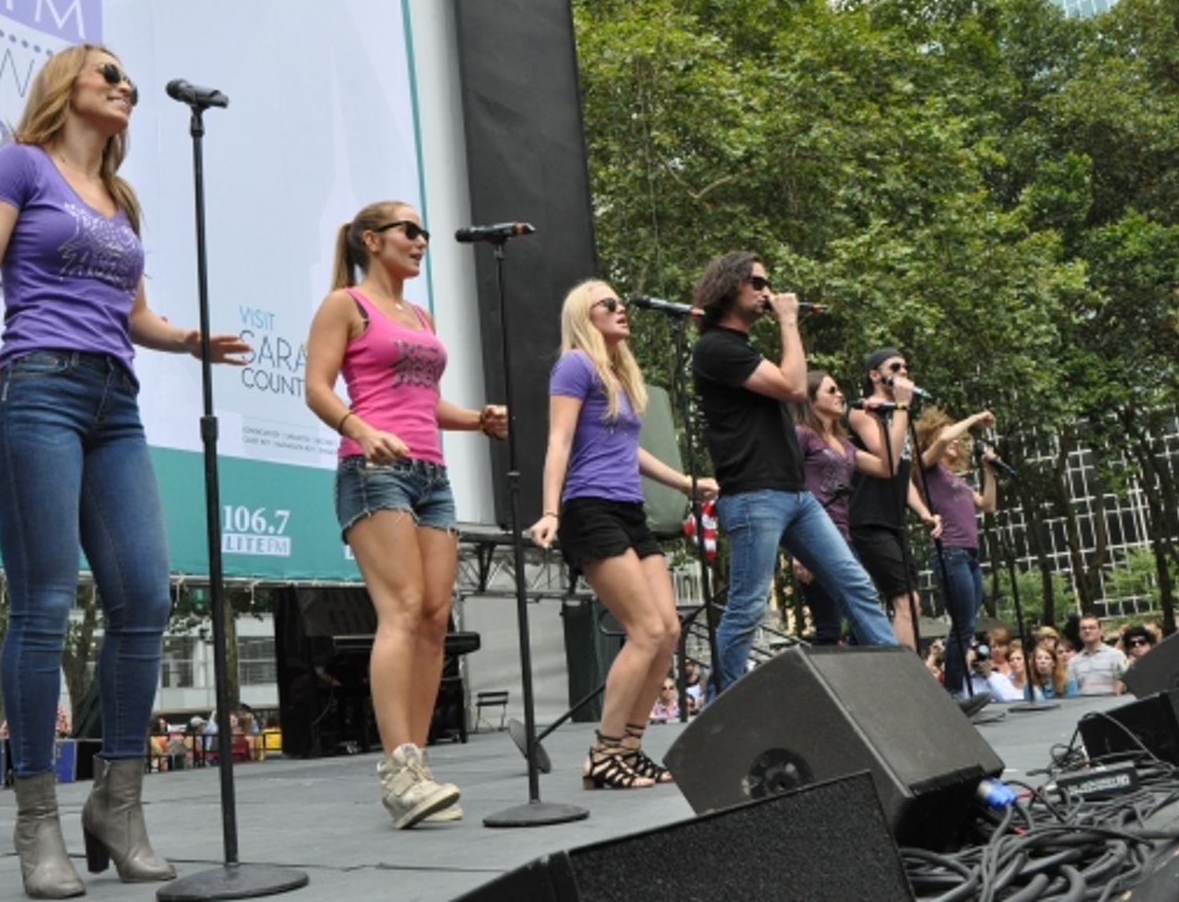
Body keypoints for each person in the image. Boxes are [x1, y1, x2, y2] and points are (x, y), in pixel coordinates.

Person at [0, 43, 248, 895]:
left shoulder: (122, 199)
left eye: (130, 81)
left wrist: (189, 339)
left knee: (145, 597)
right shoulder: (20, 164)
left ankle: (118, 803)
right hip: (37, 387)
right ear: (66, 85)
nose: (126, 87)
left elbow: (134, 314)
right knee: (43, 603)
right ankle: (36, 818)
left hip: (116, 402)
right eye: (109, 74)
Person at [304, 200, 507, 828]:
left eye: (424, 232)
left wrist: (476, 420)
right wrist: (361, 431)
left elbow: (425, 402)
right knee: (402, 608)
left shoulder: (420, 315)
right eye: (409, 230)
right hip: (373, 473)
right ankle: (397, 769)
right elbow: (316, 388)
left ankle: (417, 768)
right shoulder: (345, 304)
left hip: (431, 475)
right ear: (372, 240)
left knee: (435, 618)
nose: (422, 240)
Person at [529, 280, 716, 787]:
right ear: (584, 317)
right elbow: (559, 440)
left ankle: (628, 751)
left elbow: (626, 450)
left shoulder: (618, 373)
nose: (620, 309)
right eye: (607, 304)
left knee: (669, 631)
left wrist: (684, 482)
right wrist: (550, 511)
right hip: (590, 508)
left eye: (620, 302)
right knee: (646, 630)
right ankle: (603, 752)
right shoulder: (575, 365)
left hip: (629, 510)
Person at [690, 251, 897, 692]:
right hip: (754, 494)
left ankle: (903, 690)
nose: (767, 291)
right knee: (746, 607)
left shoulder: (744, 348)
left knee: (855, 585)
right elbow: (794, 387)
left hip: (795, 493)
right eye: (758, 283)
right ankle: (721, 708)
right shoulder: (716, 348)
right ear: (729, 286)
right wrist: (788, 321)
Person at [790, 370, 912, 645]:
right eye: (831, 390)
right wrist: (798, 553)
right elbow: (789, 486)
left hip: (843, 537)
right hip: (812, 536)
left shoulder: (845, 445)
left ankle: (878, 666)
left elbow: (888, 467)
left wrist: (896, 412)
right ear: (811, 399)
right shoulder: (802, 435)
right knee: (830, 627)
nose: (840, 395)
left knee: (862, 615)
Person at [847, 348, 945, 651]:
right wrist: (901, 407)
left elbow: (902, 475)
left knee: (910, 602)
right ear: (875, 375)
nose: (904, 371)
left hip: (894, 521)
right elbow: (886, 459)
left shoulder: (898, 416)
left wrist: (923, 512)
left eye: (906, 367)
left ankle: (879, 668)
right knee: (906, 601)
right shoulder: (863, 412)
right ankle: (911, 677)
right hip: (868, 519)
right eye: (896, 367)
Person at [913, 406, 999, 701]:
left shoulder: (956, 480)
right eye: (950, 435)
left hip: (970, 556)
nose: (956, 440)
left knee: (967, 625)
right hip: (951, 553)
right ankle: (953, 691)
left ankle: (956, 690)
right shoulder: (927, 467)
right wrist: (974, 419)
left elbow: (988, 504)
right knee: (963, 625)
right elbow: (942, 440)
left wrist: (988, 471)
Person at [1068, 614, 1126, 695]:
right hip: (1083, 701)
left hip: (1111, 701)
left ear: (1101, 631)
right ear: (1079, 633)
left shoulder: (1116, 655)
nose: (1087, 631)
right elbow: (1072, 690)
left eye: (1092, 628)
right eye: (1083, 628)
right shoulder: (1073, 662)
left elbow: (1123, 682)